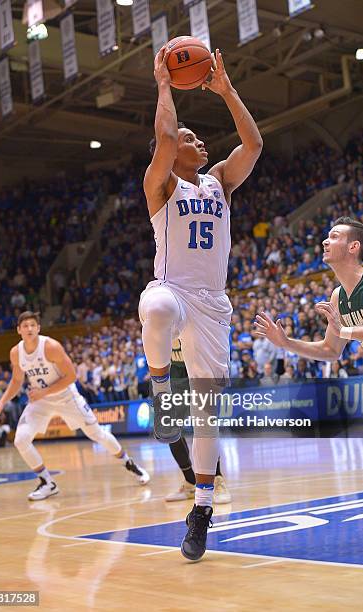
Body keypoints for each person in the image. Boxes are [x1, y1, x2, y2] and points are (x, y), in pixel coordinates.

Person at [139, 46, 262, 560]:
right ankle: (161, 381)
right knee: (157, 309)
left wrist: (226, 90)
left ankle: (202, 508)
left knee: (208, 414)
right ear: (170, 152)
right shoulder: (161, 184)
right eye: (190, 138)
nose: (199, 141)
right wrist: (165, 85)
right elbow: (166, 137)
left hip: (213, 305)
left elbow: (253, 144)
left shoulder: (221, 185)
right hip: (174, 290)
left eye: (197, 136)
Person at [255, 217, 363, 464]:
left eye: (334, 236)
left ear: (354, 247)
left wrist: (347, 331)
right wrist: (286, 343)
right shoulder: (338, 297)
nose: (325, 240)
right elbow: (331, 350)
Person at [0, 311, 150, 501]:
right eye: (25, 326)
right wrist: (1, 402)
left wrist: (43, 392)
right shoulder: (16, 352)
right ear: (18, 330)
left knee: (96, 434)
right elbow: (17, 379)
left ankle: (129, 463)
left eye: (33, 325)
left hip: (66, 397)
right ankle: (47, 482)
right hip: (40, 400)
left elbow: (71, 376)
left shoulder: (50, 346)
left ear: (39, 328)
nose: (30, 328)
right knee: (21, 440)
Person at [166, 340, 232, 504]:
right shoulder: (154, 319)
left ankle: (217, 479)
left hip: (199, 370)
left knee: (205, 426)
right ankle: (190, 482)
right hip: (177, 375)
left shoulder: (191, 315)